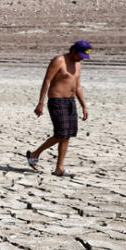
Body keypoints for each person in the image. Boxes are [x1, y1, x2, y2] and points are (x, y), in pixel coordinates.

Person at [25, 40, 91, 176]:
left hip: (70, 102)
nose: (81, 59)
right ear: (73, 51)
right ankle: (35, 153)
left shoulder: (78, 65)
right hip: (57, 101)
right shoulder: (59, 60)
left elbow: (78, 86)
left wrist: (84, 105)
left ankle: (59, 168)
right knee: (61, 133)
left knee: (67, 136)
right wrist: (41, 103)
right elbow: (47, 80)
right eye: (80, 55)